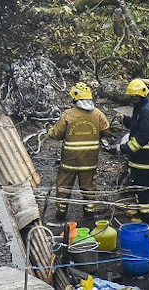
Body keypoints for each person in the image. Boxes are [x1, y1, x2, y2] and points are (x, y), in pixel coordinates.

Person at [47, 82, 110, 219]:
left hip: (70, 159)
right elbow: (106, 129)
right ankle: (89, 213)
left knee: (64, 186)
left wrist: (49, 131)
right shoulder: (97, 114)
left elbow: (56, 134)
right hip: (90, 159)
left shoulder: (68, 115)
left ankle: (61, 214)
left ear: (75, 98)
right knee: (88, 187)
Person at [120, 78, 149, 223]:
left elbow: (143, 136)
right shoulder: (141, 107)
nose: (133, 99)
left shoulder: (145, 111)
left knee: (146, 190)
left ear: (142, 94)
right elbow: (138, 125)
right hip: (142, 159)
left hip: (147, 159)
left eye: (135, 96)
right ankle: (143, 213)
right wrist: (125, 120)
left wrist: (125, 148)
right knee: (141, 188)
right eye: (132, 96)